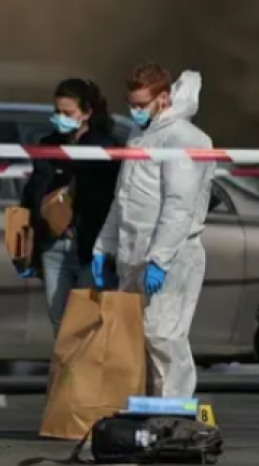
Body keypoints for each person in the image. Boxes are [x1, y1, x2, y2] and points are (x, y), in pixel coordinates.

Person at [93, 64, 215, 398]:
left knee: (164, 335)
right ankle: (145, 409)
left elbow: (179, 205)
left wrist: (160, 259)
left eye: (141, 105)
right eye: (130, 103)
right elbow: (124, 197)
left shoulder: (185, 139)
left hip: (173, 254)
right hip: (134, 250)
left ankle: (174, 412)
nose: (134, 111)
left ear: (163, 98)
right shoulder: (140, 134)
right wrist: (104, 246)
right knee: (136, 336)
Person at [20, 79, 121, 333]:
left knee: (86, 324)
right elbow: (33, 192)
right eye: (57, 112)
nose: (60, 118)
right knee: (59, 323)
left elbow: (112, 199)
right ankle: (68, 373)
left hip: (89, 247)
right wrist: (27, 243)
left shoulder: (105, 149)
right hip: (53, 246)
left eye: (68, 113)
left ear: (86, 113)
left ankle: (86, 373)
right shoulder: (48, 146)